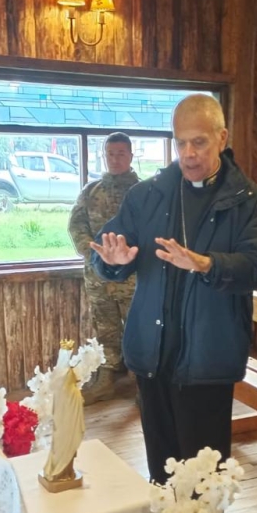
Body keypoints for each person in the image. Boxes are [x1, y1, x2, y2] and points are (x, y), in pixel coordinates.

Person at [90, 94, 257, 484]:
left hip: (208, 358)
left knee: (205, 479)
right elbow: (107, 251)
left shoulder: (251, 202)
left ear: (222, 137)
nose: (189, 153)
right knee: (162, 472)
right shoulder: (146, 195)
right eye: (181, 142)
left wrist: (208, 264)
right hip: (152, 353)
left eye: (199, 142)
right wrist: (113, 260)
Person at [68, 133, 141, 404]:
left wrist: (132, 258)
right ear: (104, 156)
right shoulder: (91, 191)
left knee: (139, 327)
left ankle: (142, 381)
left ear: (131, 156)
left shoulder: (144, 193)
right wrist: (94, 254)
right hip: (98, 275)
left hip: (135, 276)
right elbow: (77, 225)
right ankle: (107, 377)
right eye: (110, 154)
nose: (115, 159)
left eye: (121, 153)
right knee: (105, 326)